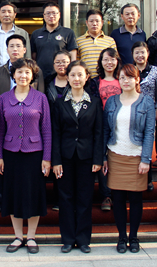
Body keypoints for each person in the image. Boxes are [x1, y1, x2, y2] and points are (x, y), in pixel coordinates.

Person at [0, 58, 51, 254]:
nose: (23, 75)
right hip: (10, 154)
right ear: (13, 74)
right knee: (13, 195)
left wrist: (47, 158)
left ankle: (32, 237)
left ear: (33, 75)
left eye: (27, 72)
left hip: (34, 154)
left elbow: (46, 130)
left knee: (33, 195)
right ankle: (18, 236)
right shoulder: (3, 98)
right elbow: (0, 130)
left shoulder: (40, 98)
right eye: (19, 72)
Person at [51, 60, 103, 254]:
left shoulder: (95, 102)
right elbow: (55, 133)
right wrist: (56, 160)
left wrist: (97, 159)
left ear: (87, 77)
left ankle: (82, 240)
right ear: (67, 77)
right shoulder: (59, 102)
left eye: (80, 75)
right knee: (65, 198)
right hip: (65, 157)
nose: (76, 78)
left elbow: (99, 133)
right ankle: (67, 239)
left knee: (84, 198)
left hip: (87, 158)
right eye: (72, 75)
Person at [103, 64, 155, 254]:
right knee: (117, 199)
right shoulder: (112, 101)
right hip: (115, 155)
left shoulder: (146, 102)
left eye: (130, 77)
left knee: (135, 199)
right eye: (122, 77)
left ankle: (133, 237)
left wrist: (146, 159)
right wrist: (103, 157)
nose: (126, 81)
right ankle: (121, 237)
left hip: (136, 157)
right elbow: (106, 130)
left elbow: (150, 132)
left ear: (137, 79)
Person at [90, 47, 122, 211]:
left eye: (112, 59)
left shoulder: (123, 79)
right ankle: (106, 195)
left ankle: (119, 193)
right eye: (106, 59)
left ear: (117, 61)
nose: (109, 62)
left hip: (121, 125)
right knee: (102, 158)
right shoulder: (95, 82)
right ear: (101, 62)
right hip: (101, 125)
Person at [132, 41, 157, 191]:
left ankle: (148, 179)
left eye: (142, 52)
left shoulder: (156, 71)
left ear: (148, 53)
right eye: (136, 52)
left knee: (147, 145)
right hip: (133, 112)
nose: (140, 55)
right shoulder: (129, 70)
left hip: (150, 112)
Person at [0, 2, 31, 80]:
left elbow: (27, 56)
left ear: (15, 14)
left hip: (18, 72)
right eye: (3, 12)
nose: (6, 14)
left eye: (9, 12)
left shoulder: (23, 33)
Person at [31, 2, 78, 79]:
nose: (51, 16)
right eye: (48, 13)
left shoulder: (68, 32)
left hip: (61, 75)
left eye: (54, 13)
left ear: (59, 15)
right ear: (44, 16)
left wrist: (71, 73)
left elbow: (73, 57)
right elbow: (33, 57)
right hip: (40, 75)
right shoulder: (36, 34)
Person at [0, 34, 44, 100]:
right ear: (7, 50)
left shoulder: (35, 70)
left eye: (18, 46)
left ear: (24, 50)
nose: (15, 49)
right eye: (11, 46)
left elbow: (41, 94)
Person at [76, 9, 116, 78]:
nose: (94, 24)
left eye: (97, 21)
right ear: (86, 23)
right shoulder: (79, 41)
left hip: (104, 79)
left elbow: (115, 61)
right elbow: (77, 62)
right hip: (85, 79)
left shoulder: (110, 41)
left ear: (102, 23)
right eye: (91, 21)